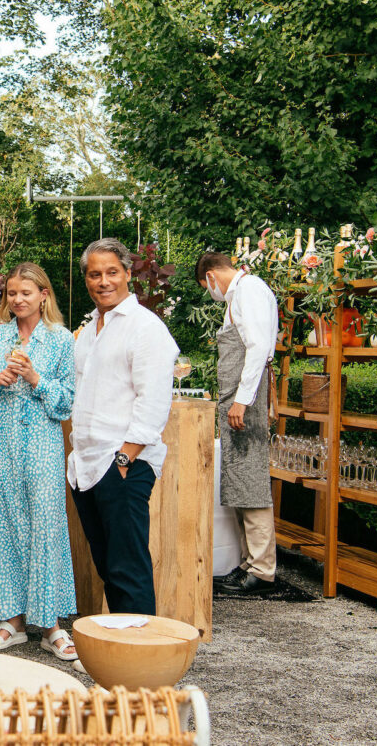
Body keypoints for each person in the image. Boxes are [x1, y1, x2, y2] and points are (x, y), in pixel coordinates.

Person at [0, 263, 77, 659]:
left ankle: (51, 626)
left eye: (26, 293)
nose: (17, 300)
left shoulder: (62, 340)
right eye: (12, 293)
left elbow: (65, 403)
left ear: (44, 295)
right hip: (0, 446)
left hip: (43, 449)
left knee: (45, 527)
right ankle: (10, 621)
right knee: (1, 526)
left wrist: (34, 378)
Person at [68, 238, 178, 616]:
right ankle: (121, 653)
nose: (103, 281)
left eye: (112, 272)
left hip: (122, 463)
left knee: (127, 568)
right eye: (94, 274)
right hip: (87, 465)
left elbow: (154, 400)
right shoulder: (91, 329)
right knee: (109, 568)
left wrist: (124, 458)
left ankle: (140, 661)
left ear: (128, 274)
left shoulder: (146, 328)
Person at [198, 251, 279, 594]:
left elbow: (258, 347)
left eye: (206, 286)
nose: (209, 292)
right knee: (238, 475)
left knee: (250, 477)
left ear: (212, 275)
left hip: (246, 398)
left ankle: (262, 569)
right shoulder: (237, 295)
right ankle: (247, 562)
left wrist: (242, 401)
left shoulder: (250, 291)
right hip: (236, 398)